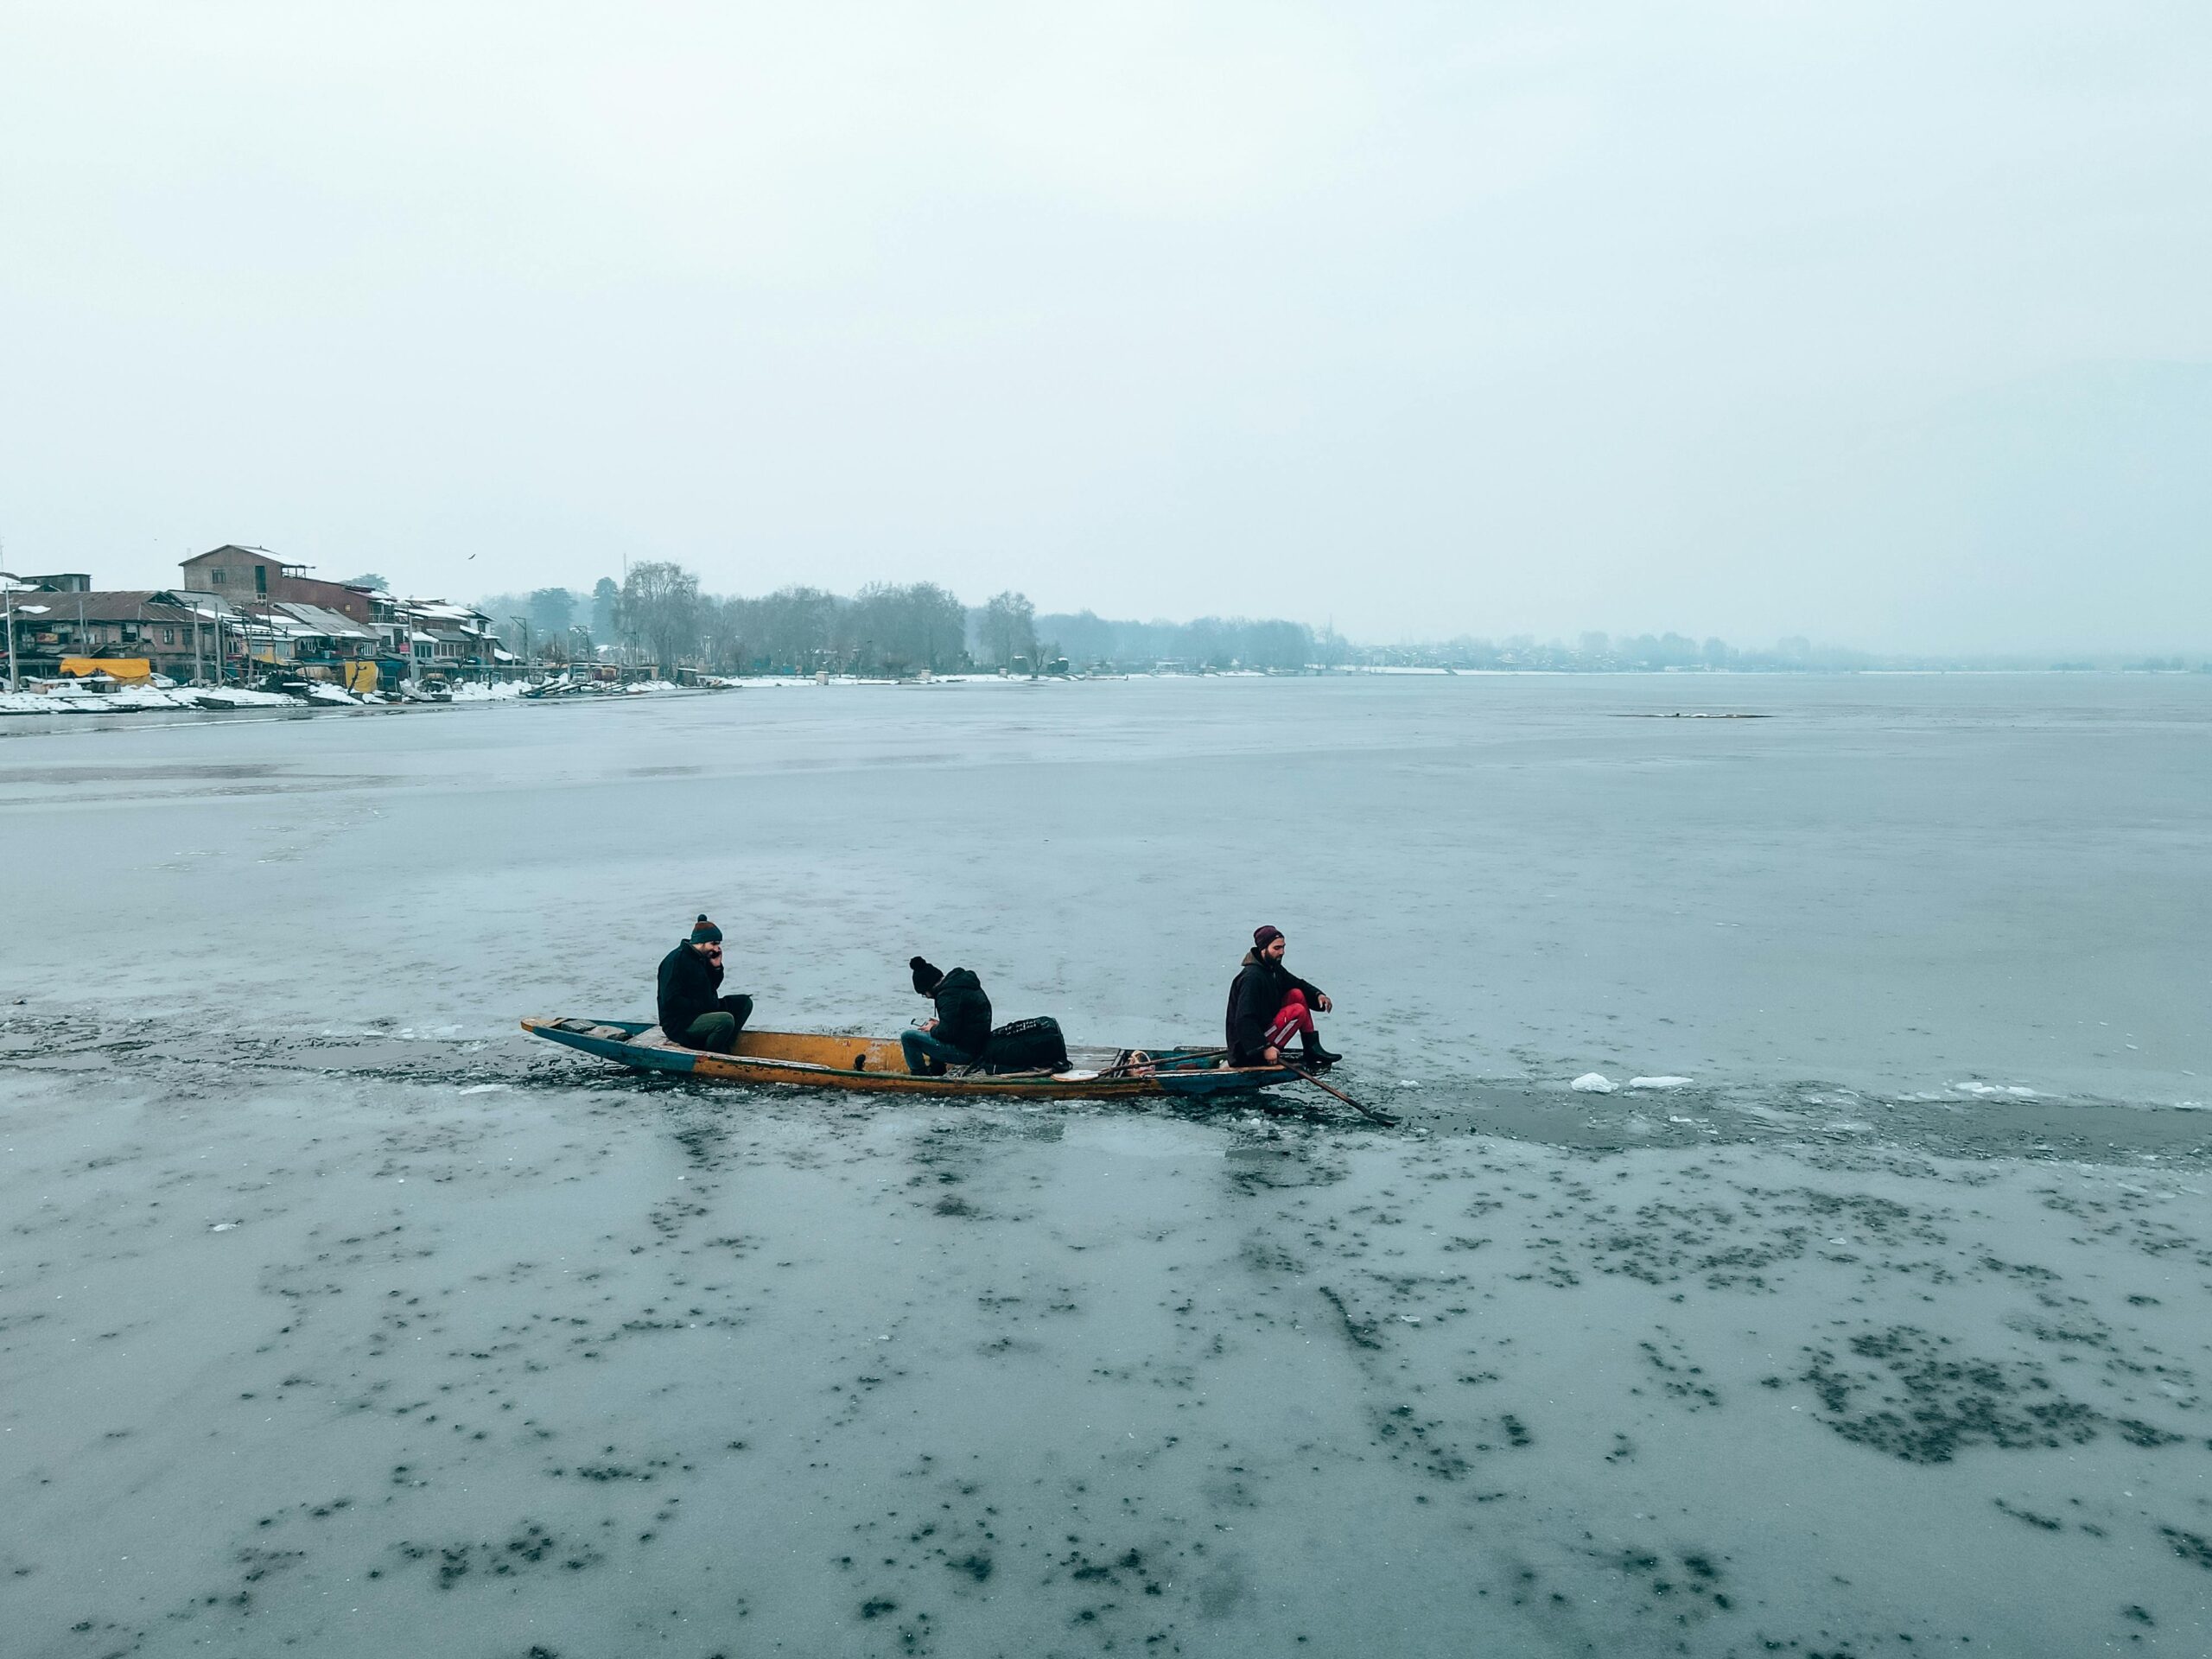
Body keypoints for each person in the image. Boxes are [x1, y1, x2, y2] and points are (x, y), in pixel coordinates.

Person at [1224, 925, 1341, 1069]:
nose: (1282, 952)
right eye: (1277, 948)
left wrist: (1318, 995)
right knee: (1297, 1011)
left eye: (1283, 947)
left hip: (1264, 1032)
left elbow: (1297, 983)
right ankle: (1269, 1051)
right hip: (1247, 1051)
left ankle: (1312, 1049)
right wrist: (1265, 1048)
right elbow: (1244, 1020)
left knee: (1297, 994)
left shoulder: (1273, 968)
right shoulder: (1251, 978)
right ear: (1263, 949)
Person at [657, 914, 753, 1052]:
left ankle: (725, 1044)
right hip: (680, 1022)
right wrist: (700, 1005)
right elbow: (670, 1001)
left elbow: (712, 987)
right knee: (725, 1020)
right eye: (714, 944)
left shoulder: (703, 957)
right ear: (701, 942)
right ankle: (711, 1054)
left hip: (704, 1010)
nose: (717, 949)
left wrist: (716, 967)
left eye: (718, 944)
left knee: (744, 1003)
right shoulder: (675, 962)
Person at [902, 956, 992, 1076]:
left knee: (908, 1037)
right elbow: (960, 1024)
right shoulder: (962, 986)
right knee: (934, 1032)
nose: (928, 997)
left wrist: (933, 1028)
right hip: (978, 1046)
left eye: (924, 994)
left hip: (966, 1053)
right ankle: (937, 1070)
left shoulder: (948, 996)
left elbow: (947, 1033)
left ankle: (920, 1076)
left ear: (929, 987)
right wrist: (939, 1025)